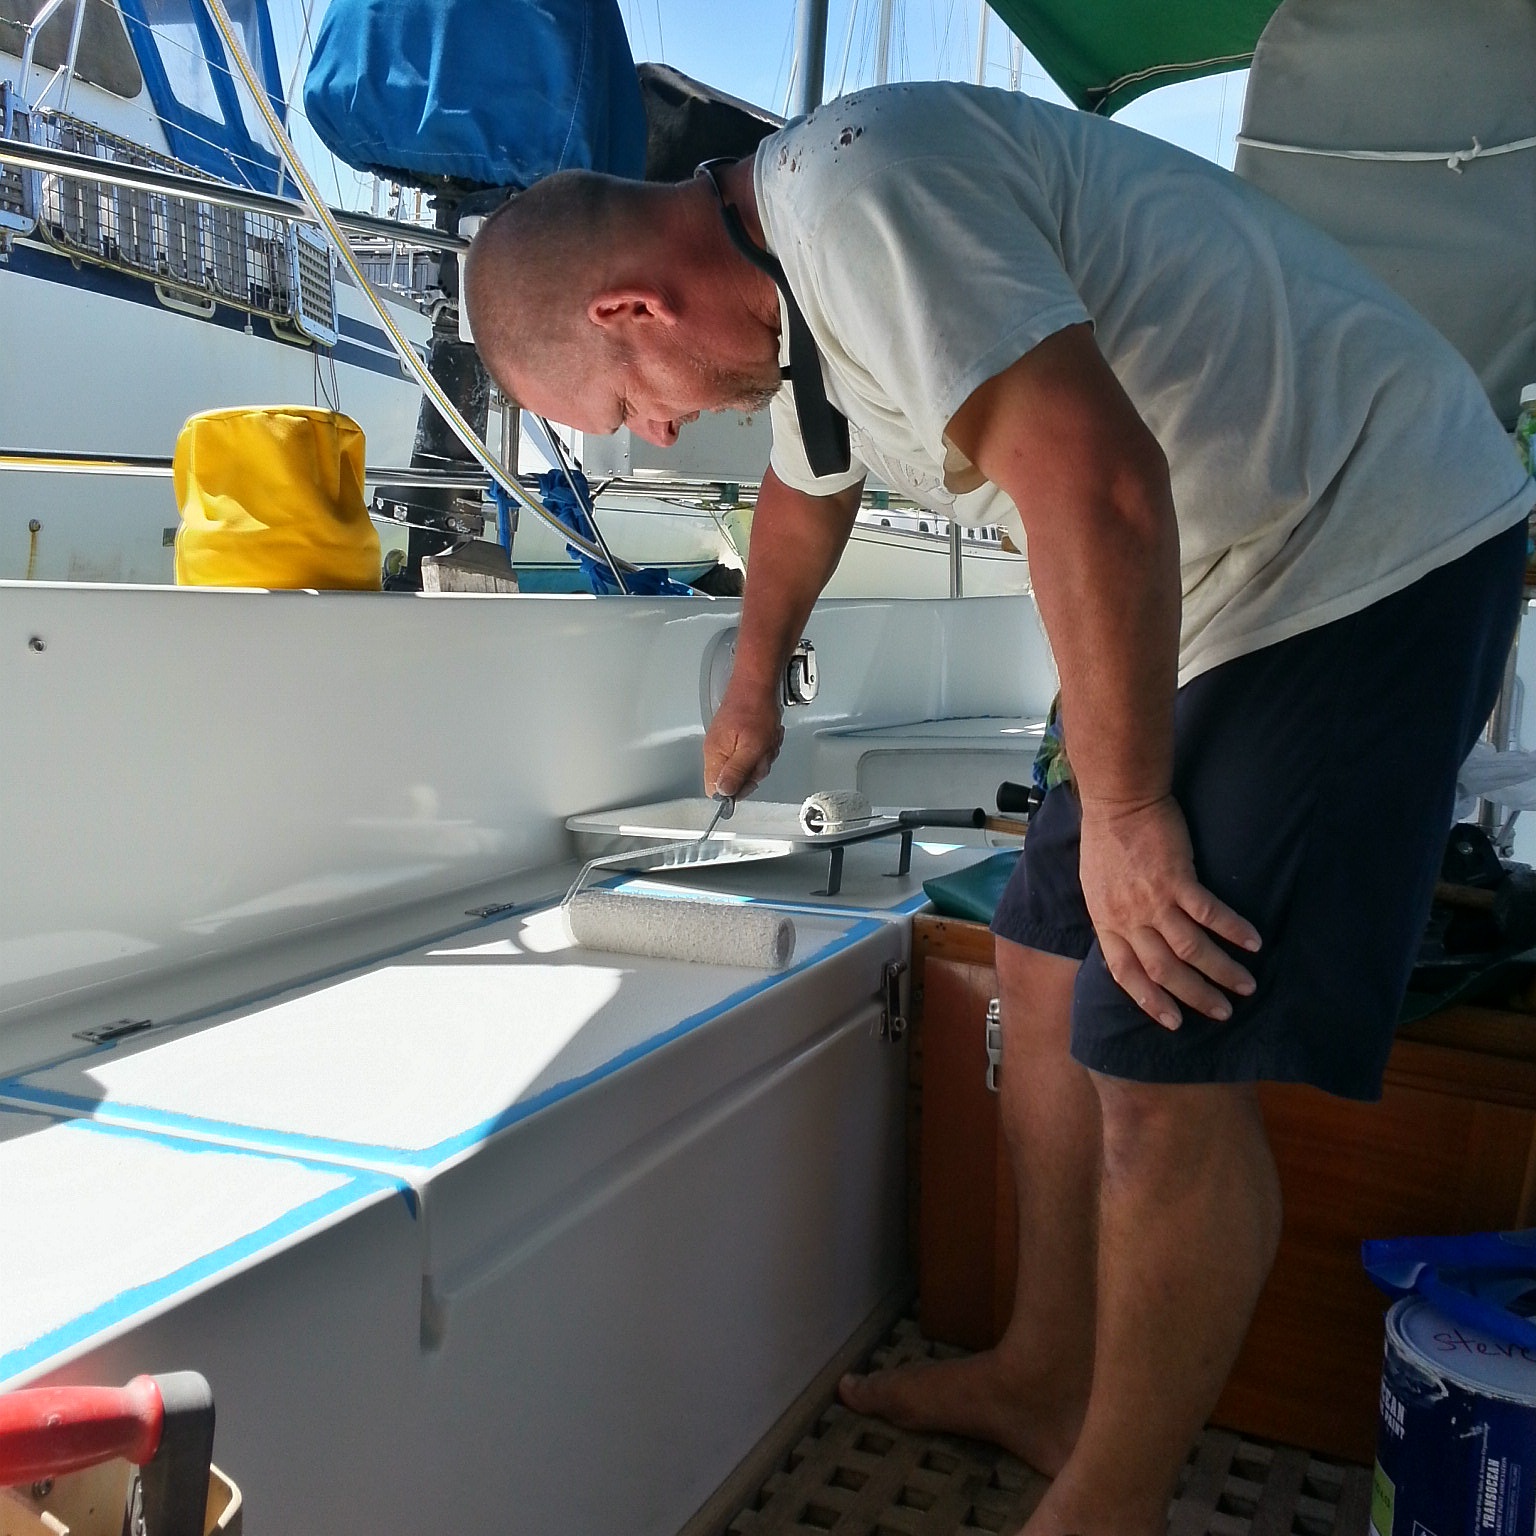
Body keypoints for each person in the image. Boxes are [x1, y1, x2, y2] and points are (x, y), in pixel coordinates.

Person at [463, 80, 1534, 1534]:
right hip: (1206, 586)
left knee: (1160, 1043)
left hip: (1364, 540)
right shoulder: (789, 298)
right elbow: (807, 494)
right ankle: (1043, 1374)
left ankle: (1110, 1502)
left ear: (630, 311)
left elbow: (1101, 488)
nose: (648, 437)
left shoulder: (864, 200)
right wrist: (750, 690)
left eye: (618, 410)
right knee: (1038, 960)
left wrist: (1134, 814)